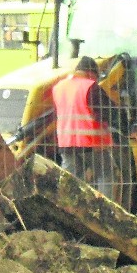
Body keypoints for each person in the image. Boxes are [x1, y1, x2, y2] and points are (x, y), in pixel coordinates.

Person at [51, 55, 123, 202]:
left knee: (70, 182)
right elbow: (109, 112)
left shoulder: (59, 87)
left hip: (66, 144)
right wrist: (127, 128)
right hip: (91, 143)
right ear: (91, 73)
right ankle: (105, 213)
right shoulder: (90, 87)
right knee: (105, 175)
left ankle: (69, 212)